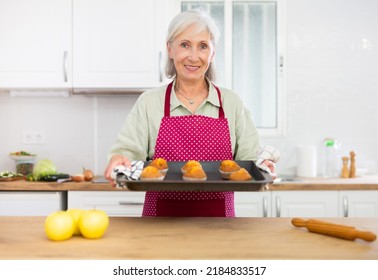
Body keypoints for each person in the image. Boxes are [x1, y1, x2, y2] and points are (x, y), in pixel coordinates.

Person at [104, 9, 276, 217]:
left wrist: (263, 165)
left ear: (212, 54)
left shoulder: (231, 103)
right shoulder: (150, 102)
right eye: (185, 45)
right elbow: (127, 153)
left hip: (220, 225)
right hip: (158, 225)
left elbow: (250, 161)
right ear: (170, 49)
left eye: (203, 46)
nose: (193, 56)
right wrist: (120, 159)